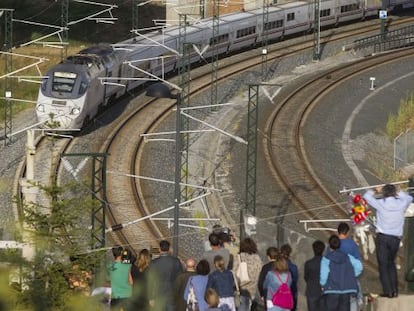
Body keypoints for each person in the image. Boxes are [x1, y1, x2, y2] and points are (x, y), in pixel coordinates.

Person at [363, 184, 412, 298]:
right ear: (394, 193)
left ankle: (388, 291)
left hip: (383, 237)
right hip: (395, 238)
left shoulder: (381, 204)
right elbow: (409, 198)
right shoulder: (401, 204)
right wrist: (398, 191)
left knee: (383, 265)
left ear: (384, 193)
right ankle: (394, 291)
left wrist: (375, 190)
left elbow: (366, 196)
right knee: (391, 264)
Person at [320, 235, 363, 311]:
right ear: (340, 245)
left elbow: (324, 274)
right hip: (346, 290)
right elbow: (359, 266)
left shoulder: (326, 259)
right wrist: (352, 275)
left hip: (331, 289)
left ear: (329, 245)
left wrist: (322, 284)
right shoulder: (348, 257)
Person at [149, 240, 184, 311]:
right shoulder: (176, 261)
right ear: (169, 248)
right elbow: (180, 279)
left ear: (159, 249)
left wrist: (151, 297)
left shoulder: (153, 263)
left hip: (158, 294)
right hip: (172, 294)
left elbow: (150, 281)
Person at [337, 222, 363, 311]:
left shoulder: (332, 245)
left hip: (336, 281)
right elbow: (359, 264)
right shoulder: (352, 244)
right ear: (347, 233)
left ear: (338, 232)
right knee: (352, 301)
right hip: (349, 279)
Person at [232, 237, 263, 311]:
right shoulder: (257, 258)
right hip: (252, 290)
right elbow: (260, 272)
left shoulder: (238, 257)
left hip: (240, 289)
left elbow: (234, 272)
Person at [107, 246, 133, 310]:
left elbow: (108, 281)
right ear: (122, 253)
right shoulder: (128, 266)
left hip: (115, 296)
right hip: (127, 295)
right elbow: (131, 282)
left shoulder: (109, 266)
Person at [304, 240, 325, 311]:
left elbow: (306, 277)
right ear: (323, 249)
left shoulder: (309, 263)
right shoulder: (327, 263)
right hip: (324, 291)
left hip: (311, 291)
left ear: (313, 249)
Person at [280, 244, 298, 311]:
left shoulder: (275, 265)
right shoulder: (294, 267)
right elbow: (294, 282)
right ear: (290, 253)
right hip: (289, 294)